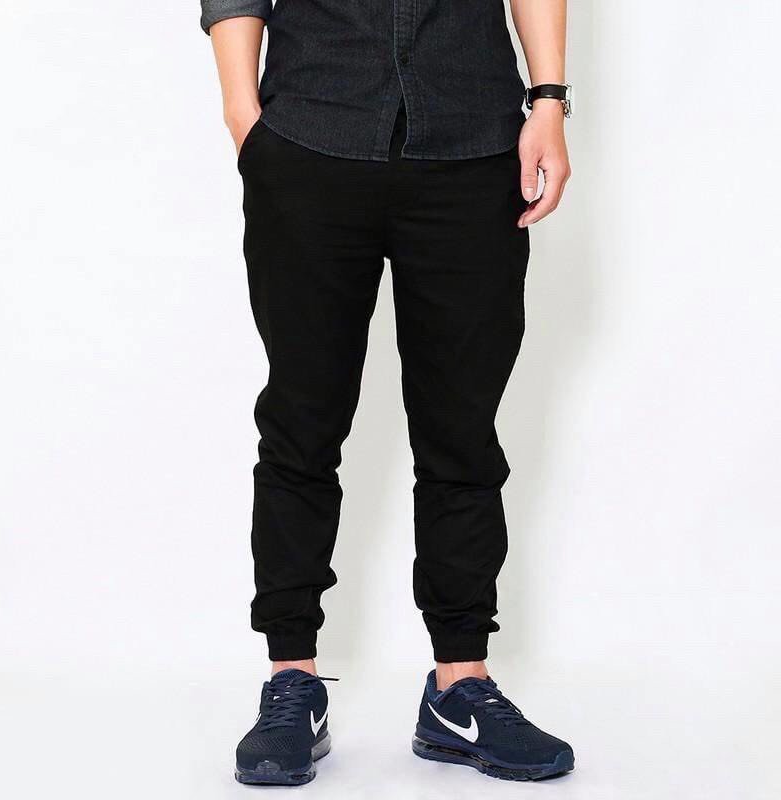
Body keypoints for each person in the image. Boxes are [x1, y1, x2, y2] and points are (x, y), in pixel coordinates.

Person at [200, 0, 574, 785]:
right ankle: (291, 681)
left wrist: (548, 100)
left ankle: (459, 686)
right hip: (311, 135)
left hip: (473, 142)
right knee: (302, 422)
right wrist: (244, 115)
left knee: (462, 431)